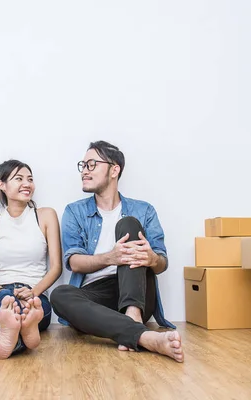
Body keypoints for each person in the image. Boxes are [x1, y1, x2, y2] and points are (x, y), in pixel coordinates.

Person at [50, 141, 184, 362]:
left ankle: (132, 314)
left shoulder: (144, 210)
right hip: (95, 296)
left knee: (129, 224)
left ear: (114, 170)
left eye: (92, 164)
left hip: (137, 291)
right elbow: (74, 262)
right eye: (83, 165)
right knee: (59, 295)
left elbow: (162, 263)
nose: (85, 170)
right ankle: (141, 335)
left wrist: (151, 259)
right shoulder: (74, 211)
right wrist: (110, 257)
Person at [0, 159, 62, 359]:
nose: (27, 184)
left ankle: (16, 328)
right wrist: (5, 293)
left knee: (32, 308)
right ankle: (24, 328)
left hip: (36, 296)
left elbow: (56, 267)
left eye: (30, 179)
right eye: (19, 178)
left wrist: (34, 292)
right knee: (6, 303)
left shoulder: (46, 216)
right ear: (2, 185)